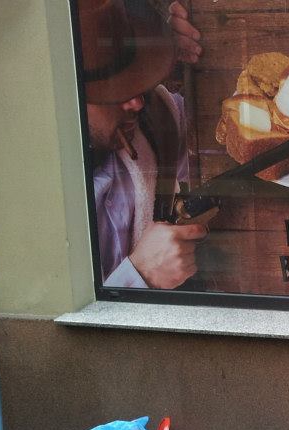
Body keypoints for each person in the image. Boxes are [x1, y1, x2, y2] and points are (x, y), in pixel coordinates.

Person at [80, 0, 206, 289]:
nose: (136, 101)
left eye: (132, 80)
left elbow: (214, 143)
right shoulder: (30, 199)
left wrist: (200, 48)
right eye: (109, 92)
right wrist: (141, 275)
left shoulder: (155, 115)